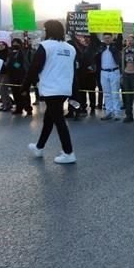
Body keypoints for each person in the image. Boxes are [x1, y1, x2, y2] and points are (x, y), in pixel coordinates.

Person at [24, 20, 77, 164]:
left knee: (58, 120)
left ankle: (68, 152)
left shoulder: (45, 46)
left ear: (49, 30)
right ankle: (39, 147)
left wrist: (25, 86)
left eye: (44, 29)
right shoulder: (71, 48)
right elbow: (72, 70)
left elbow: (35, 67)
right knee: (49, 119)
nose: (43, 31)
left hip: (50, 89)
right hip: (64, 88)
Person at [93, 32, 124, 121]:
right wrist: (92, 28)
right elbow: (94, 38)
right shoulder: (100, 47)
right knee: (106, 93)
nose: (107, 39)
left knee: (115, 93)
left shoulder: (115, 46)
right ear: (103, 38)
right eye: (105, 37)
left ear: (112, 38)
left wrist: (120, 27)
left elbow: (119, 38)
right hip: (103, 72)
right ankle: (108, 112)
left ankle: (117, 113)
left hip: (114, 71)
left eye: (108, 38)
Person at [7, 38, 32, 116]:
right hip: (13, 76)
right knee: (15, 93)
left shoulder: (22, 52)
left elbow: (21, 63)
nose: (15, 44)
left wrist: (14, 65)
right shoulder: (10, 53)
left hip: (22, 76)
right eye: (13, 43)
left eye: (17, 43)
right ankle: (19, 108)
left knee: (24, 93)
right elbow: (9, 62)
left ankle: (28, 109)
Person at [121, 34, 134, 122]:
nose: (129, 41)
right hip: (126, 74)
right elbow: (122, 62)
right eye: (127, 40)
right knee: (127, 96)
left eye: (131, 40)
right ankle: (128, 115)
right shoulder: (124, 50)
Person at [0, 40, 12, 111]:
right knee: (2, 89)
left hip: (6, 73)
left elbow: (9, 63)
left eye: (2, 45)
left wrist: (5, 63)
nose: (1, 46)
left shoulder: (8, 54)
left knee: (2, 89)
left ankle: (6, 104)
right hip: (0, 73)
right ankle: (7, 103)